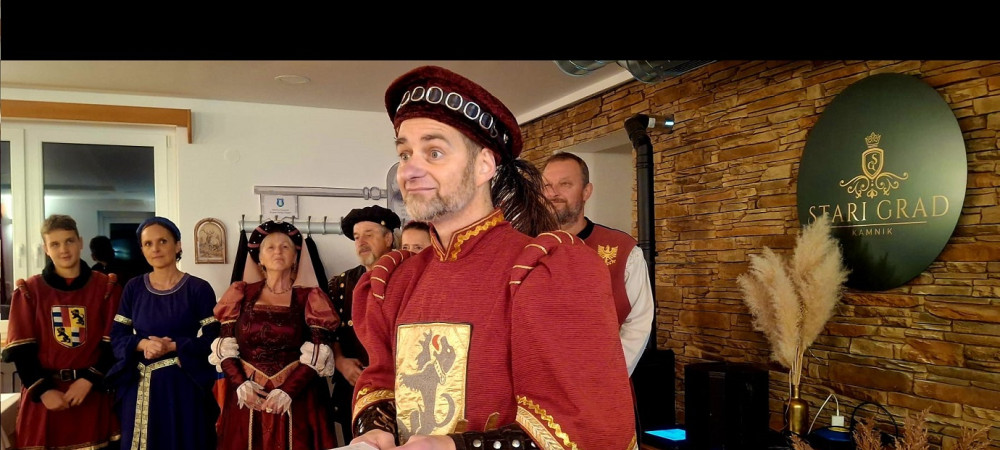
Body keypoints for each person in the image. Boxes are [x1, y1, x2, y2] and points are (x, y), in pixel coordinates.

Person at [349, 65, 636, 450]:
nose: (409, 169)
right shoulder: (397, 279)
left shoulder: (542, 269)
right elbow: (381, 379)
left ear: (484, 165)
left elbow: (584, 427)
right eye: (404, 153)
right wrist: (374, 435)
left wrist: (455, 446)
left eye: (433, 152)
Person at [211, 220, 339, 450]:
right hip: (247, 398)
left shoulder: (310, 298)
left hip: (298, 398)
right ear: (259, 257)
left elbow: (319, 350)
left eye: (285, 247)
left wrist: (288, 391)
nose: (278, 251)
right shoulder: (240, 294)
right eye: (270, 247)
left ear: (295, 258)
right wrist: (240, 384)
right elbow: (225, 345)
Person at [1, 214, 123, 449]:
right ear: (46, 249)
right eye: (55, 244)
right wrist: (44, 390)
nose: (63, 249)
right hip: (45, 400)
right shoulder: (29, 291)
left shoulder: (106, 288)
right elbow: (22, 352)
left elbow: (114, 344)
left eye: (69, 241)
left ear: (80, 241)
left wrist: (89, 380)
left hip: (91, 396)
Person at [108, 216, 220, 450]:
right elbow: (118, 335)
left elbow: (215, 340)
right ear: (142, 249)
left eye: (162, 241)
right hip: (140, 387)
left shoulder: (198, 289)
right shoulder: (133, 288)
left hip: (182, 388)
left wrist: (174, 346)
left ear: (177, 245)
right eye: (148, 244)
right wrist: (142, 344)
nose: (155, 249)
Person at [541, 152, 655, 376]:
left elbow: (639, 321)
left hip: (601, 382)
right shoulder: (525, 248)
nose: (553, 193)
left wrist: (604, 374)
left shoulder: (623, 250)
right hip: (538, 388)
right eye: (546, 185)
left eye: (565, 184)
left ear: (587, 191)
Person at [327, 204, 401, 436]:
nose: (361, 242)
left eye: (369, 235)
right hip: (356, 387)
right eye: (357, 237)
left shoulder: (407, 276)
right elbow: (330, 331)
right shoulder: (341, 283)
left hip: (400, 388)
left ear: (388, 238)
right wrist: (340, 361)